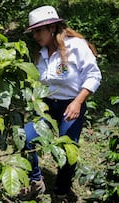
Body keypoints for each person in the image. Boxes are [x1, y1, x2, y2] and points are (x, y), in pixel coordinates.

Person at [20, 5, 102, 202]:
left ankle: (61, 190)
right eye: (33, 32)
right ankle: (36, 180)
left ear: (52, 28)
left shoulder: (76, 46)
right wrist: (35, 97)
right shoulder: (42, 53)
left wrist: (77, 102)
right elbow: (40, 81)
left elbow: (93, 75)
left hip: (72, 104)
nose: (36, 36)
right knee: (26, 137)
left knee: (67, 149)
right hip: (47, 105)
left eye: (39, 31)